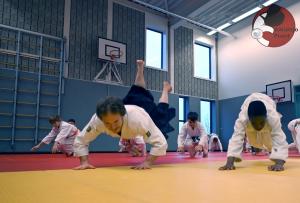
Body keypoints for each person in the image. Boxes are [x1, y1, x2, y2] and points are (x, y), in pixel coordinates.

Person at [73, 60, 175, 170]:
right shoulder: (98, 120)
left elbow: (160, 143)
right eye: (107, 123)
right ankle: (140, 69)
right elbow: (81, 140)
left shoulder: (139, 121)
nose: (112, 126)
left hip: (143, 112)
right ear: (102, 119)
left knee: (161, 112)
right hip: (127, 108)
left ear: (122, 115)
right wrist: (84, 162)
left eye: (115, 122)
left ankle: (165, 89)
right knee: (138, 91)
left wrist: (148, 162)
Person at [219, 93, 288, 171]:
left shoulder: (273, 117)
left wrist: (279, 163)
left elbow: (279, 138)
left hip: (268, 102)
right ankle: (257, 128)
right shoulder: (242, 119)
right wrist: (229, 162)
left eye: (261, 123)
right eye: (254, 123)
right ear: (249, 118)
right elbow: (236, 137)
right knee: (253, 142)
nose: (258, 127)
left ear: (266, 117)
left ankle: (274, 153)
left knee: (270, 143)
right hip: (249, 104)